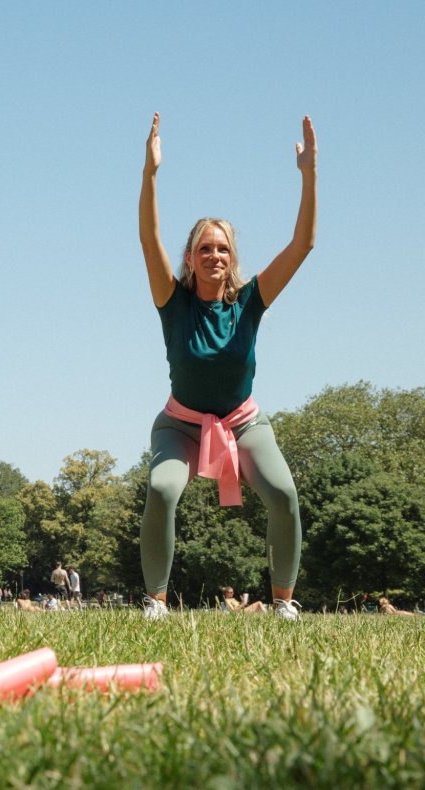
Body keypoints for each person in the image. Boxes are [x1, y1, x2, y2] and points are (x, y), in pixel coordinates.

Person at [138, 112, 316, 622]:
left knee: (284, 494)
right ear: (190, 257)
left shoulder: (250, 302)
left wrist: (309, 176)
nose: (214, 254)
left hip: (243, 423)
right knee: (161, 488)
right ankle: (156, 601)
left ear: (232, 257)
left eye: (222, 248)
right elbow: (149, 240)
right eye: (204, 248)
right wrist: (149, 176)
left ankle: (284, 602)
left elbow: (303, 245)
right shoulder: (172, 302)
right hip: (182, 425)